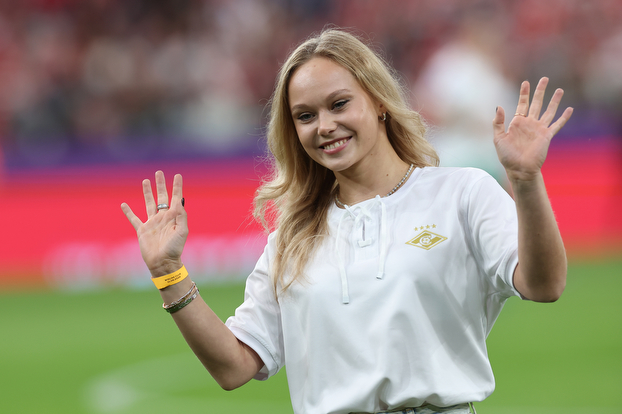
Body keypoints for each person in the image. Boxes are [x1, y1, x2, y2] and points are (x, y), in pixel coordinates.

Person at [121, 29, 572, 414]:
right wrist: (169, 273)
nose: (324, 126)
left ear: (378, 102)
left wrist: (525, 181)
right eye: (305, 116)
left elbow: (544, 284)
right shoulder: (290, 239)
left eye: (339, 104)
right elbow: (234, 366)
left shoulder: (462, 192)